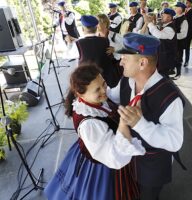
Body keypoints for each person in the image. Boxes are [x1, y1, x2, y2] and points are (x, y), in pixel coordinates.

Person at [44, 64, 145, 200]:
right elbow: (113, 157)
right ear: (80, 94)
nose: (104, 90)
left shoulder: (92, 100)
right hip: (103, 163)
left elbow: (111, 96)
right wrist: (123, 122)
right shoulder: (89, 124)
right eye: (97, 89)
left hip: (96, 147)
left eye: (103, 84)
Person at [108, 33, 185, 200]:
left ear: (142, 63)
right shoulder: (126, 81)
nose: (120, 62)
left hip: (153, 165)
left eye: (125, 58)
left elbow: (175, 141)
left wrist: (140, 124)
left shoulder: (169, 97)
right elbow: (111, 95)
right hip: (132, 159)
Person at [75, 15, 119, 87]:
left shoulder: (78, 44)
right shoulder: (105, 41)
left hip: (89, 84)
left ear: (83, 29)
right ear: (96, 28)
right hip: (107, 82)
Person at [146, 8, 177, 77]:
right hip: (162, 58)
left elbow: (158, 35)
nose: (161, 17)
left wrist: (149, 23)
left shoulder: (170, 29)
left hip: (166, 60)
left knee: (164, 78)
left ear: (169, 17)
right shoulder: (165, 26)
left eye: (163, 16)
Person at [173, 2, 188, 79]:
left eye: (177, 7)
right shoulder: (174, 17)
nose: (175, 8)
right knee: (172, 56)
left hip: (179, 42)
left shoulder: (184, 20)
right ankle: (172, 70)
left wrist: (173, 36)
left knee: (178, 58)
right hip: (173, 42)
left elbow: (183, 34)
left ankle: (178, 73)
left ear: (180, 9)